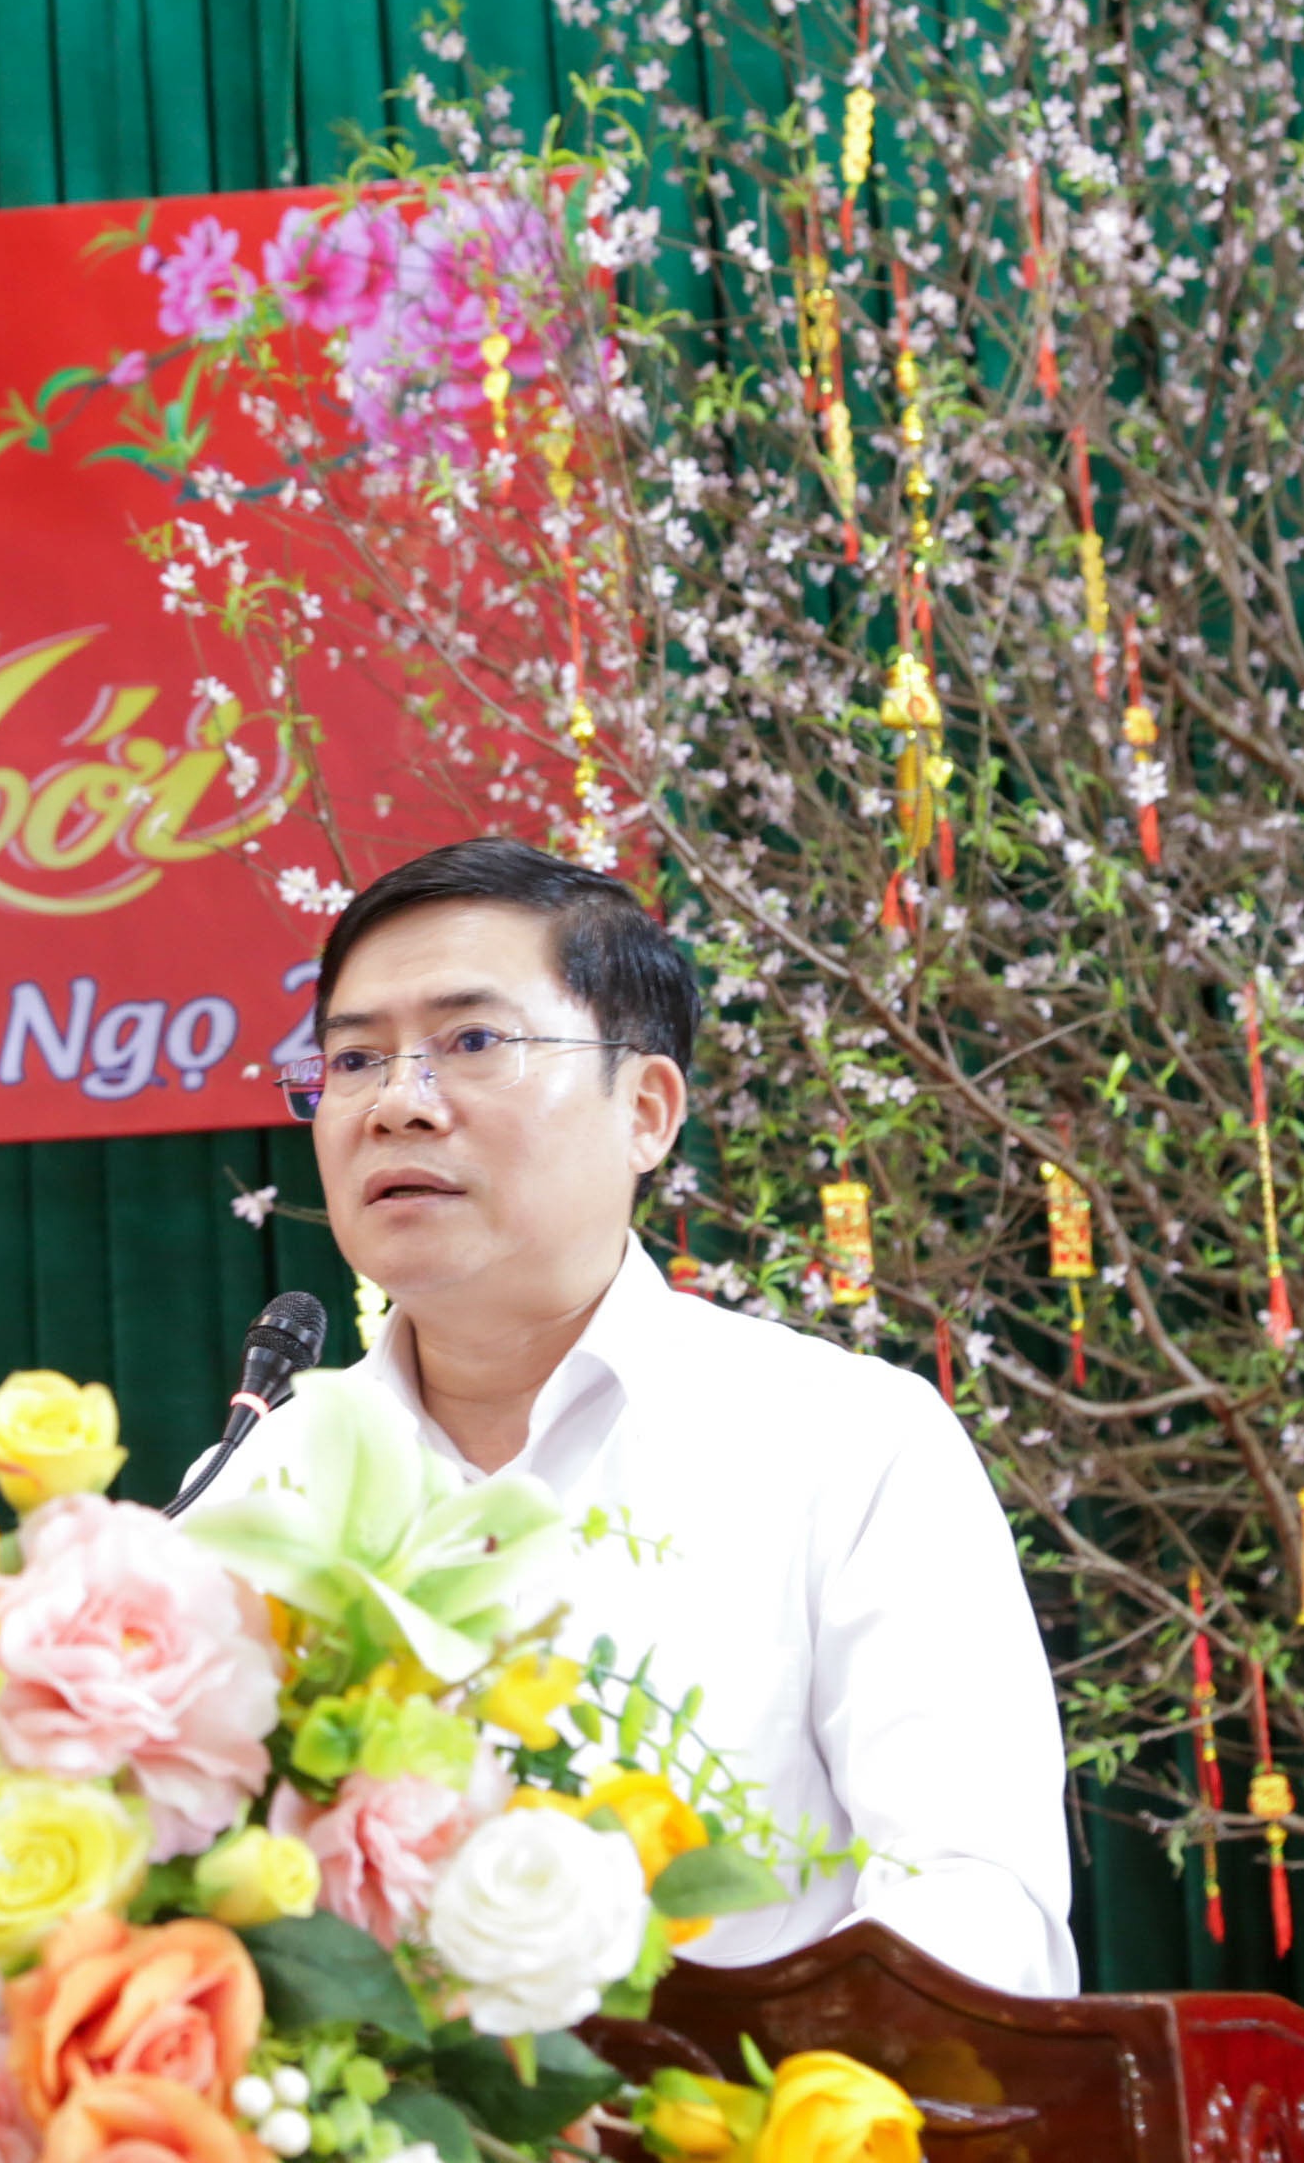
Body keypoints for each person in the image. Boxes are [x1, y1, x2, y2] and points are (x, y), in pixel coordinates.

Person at [190, 836, 1076, 1995]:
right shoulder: (254, 1487)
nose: (397, 1103)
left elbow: (975, 1909)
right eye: (354, 1059)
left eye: (473, 1041)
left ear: (647, 1110)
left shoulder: (850, 1444)